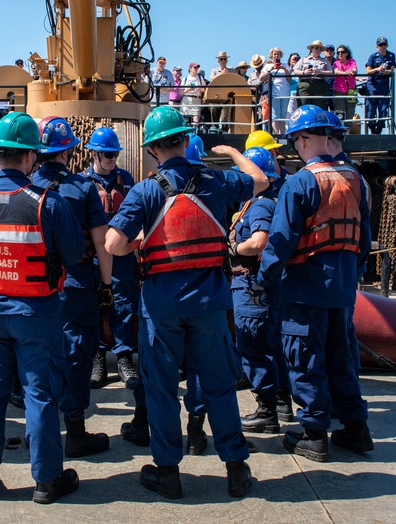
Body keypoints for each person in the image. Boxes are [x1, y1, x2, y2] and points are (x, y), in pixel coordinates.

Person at [105, 106, 267, 500]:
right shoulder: (217, 182)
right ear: (184, 140)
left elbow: (112, 245)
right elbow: (261, 179)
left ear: (153, 150)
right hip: (210, 303)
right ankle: (235, 469)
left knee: (161, 389)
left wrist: (140, 242)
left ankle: (168, 473)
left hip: (161, 308)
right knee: (219, 387)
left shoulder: (145, 190)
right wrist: (230, 151)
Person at [0, 112, 84, 504]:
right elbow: (75, 254)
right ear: (30, 157)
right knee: (39, 395)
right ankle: (47, 481)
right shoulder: (50, 203)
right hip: (37, 314)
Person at [255, 104, 373, 463]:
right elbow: (363, 239)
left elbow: (281, 240)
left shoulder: (300, 182)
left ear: (304, 139)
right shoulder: (356, 179)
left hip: (305, 288)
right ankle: (355, 429)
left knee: (305, 359)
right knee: (341, 360)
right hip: (342, 289)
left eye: (295, 141)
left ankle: (314, 436)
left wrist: (264, 281)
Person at [31, 117, 113, 459]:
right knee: (77, 357)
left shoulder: (27, 187)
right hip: (77, 284)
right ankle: (76, 432)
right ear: (69, 151)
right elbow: (101, 240)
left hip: (36, 287)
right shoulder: (83, 189)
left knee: (40, 357)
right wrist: (107, 285)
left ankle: (44, 433)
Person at [228, 147, 293, 435]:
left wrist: (233, 248)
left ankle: (267, 411)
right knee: (271, 346)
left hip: (251, 286)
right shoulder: (262, 202)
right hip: (260, 286)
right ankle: (280, 403)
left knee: (253, 347)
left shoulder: (261, 205)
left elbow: (259, 242)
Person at [82, 127, 139, 390]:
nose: (112, 158)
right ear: (94, 153)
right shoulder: (83, 183)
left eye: (115, 153)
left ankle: (125, 356)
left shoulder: (126, 181)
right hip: (93, 258)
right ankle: (98, 357)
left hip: (122, 256)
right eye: (107, 154)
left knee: (124, 304)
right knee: (93, 306)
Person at [364, 37, 396, 134]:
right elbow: (368, 71)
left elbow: (391, 69)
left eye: (384, 45)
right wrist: (378, 69)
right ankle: (372, 128)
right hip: (373, 86)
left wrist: (386, 71)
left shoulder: (391, 56)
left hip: (384, 86)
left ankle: (379, 129)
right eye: (380, 45)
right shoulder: (373, 57)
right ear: (377, 46)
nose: (383, 47)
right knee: (371, 109)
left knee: (383, 109)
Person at [259, 48, 292, 134]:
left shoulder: (285, 65)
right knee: (275, 116)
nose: (276, 56)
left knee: (283, 115)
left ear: (281, 55)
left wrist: (284, 69)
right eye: (275, 54)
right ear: (271, 55)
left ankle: (282, 134)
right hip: (274, 94)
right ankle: (277, 134)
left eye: (278, 54)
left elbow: (289, 78)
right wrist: (271, 70)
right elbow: (261, 78)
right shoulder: (267, 66)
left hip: (285, 93)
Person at [294, 41, 333, 110]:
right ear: (311, 49)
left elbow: (331, 73)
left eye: (320, 49)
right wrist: (304, 72)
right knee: (304, 107)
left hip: (320, 85)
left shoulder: (325, 61)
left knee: (319, 108)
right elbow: (295, 70)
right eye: (316, 48)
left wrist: (320, 72)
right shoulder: (303, 59)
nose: (318, 50)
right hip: (305, 84)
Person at [332, 45, 358, 123]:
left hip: (352, 90)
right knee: (340, 111)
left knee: (350, 110)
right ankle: (340, 129)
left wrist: (352, 72)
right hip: (339, 90)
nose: (340, 54)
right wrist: (347, 73)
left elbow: (354, 70)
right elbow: (336, 72)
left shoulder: (352, 61)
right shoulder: (336, 63)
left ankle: (348, 130)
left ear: (346, 53)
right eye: (338, 52)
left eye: (342, 52)